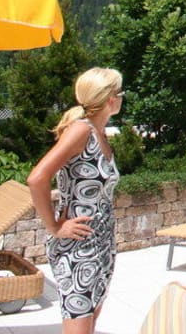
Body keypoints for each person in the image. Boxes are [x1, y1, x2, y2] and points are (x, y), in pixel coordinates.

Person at [27, 68, 123, 334]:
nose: (122, 98)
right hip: (78, 248)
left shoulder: (100, 134)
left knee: (89, 324)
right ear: (109, 100)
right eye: (120, 93)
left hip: (101, 244)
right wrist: (55, 227)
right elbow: (37, 178)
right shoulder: (81, 130)